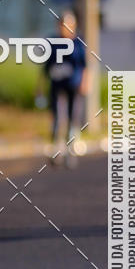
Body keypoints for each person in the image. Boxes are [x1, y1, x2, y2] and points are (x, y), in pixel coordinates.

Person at [43, 10, 88, 166]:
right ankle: (56, 151)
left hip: (73, 87)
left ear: (73, 26)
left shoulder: (78, 44)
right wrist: (40, 87)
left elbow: (85, 66)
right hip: (57, 86)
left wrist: (84, 83)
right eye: (61, 25)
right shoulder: (53, 43)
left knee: (72, 118)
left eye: (67, 25)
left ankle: (71, 152)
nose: (63, 28)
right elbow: (45, 68)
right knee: (57, 118)